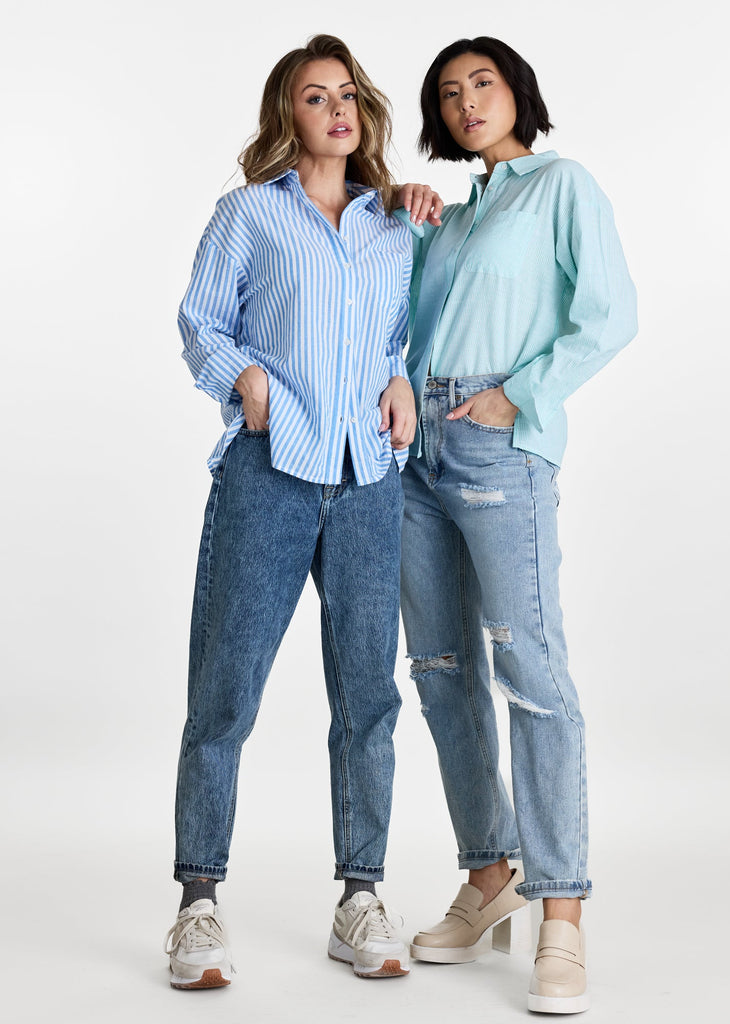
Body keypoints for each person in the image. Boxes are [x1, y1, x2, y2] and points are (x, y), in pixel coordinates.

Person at [164, 34, 432, 989]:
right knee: (225, 690)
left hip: (369, 478)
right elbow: (201, 318)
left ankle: (360, 894)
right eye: (316, 96)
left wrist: (399, 375)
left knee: (368, 697)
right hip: (268, 473)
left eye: (349, 93)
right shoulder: (248, 214)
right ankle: (198, 902)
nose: (337, 108)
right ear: (290, 114)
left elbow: (398, 332)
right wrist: (242, 379)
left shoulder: (395, 225)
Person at [397, 37, 638, 1014]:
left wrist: (522, 393)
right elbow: (405, 316)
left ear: (517, 93)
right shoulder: (451, 220)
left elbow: (609, 313)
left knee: (528, 671)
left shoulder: (560, 186)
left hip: (499, 446)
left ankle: (562, 909)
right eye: (448, 93)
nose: (466, 103)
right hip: (417, 454)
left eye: (481, 83)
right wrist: (410, 220)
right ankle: (489, 872)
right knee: (442, 673)